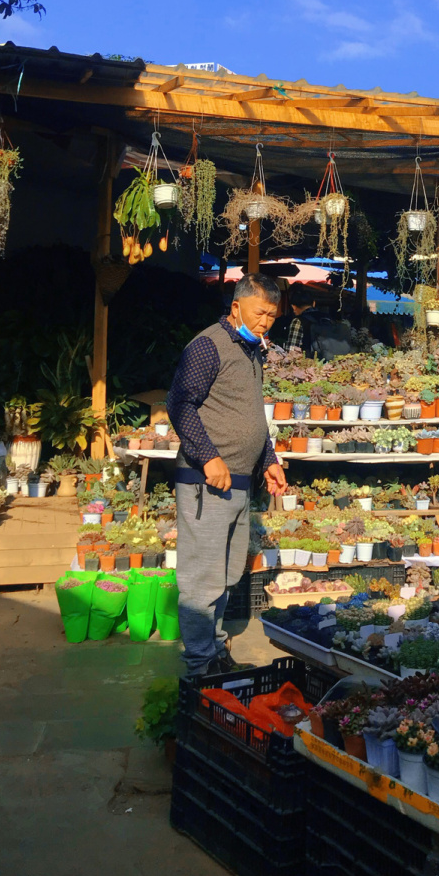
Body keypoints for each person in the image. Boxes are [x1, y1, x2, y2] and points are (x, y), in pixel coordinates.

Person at [166, 273, 287, 676]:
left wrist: (267, 458)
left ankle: (215, 651)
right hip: (206, 482)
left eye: (272, 315)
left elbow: (251, 415)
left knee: (228, 574)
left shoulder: (253, 352)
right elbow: (180, 403)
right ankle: (200, 666)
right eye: (259, 312)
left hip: (238, 482)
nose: (265, 321)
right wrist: (207, 456)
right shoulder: (208, 346)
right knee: (202, 580)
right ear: (236, 307)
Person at [269, 285, 318, 353]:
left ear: (293, 307)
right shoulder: (327, 318)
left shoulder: (298, 321)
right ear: (314, 303)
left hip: (308, 361)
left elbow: (292, 350)